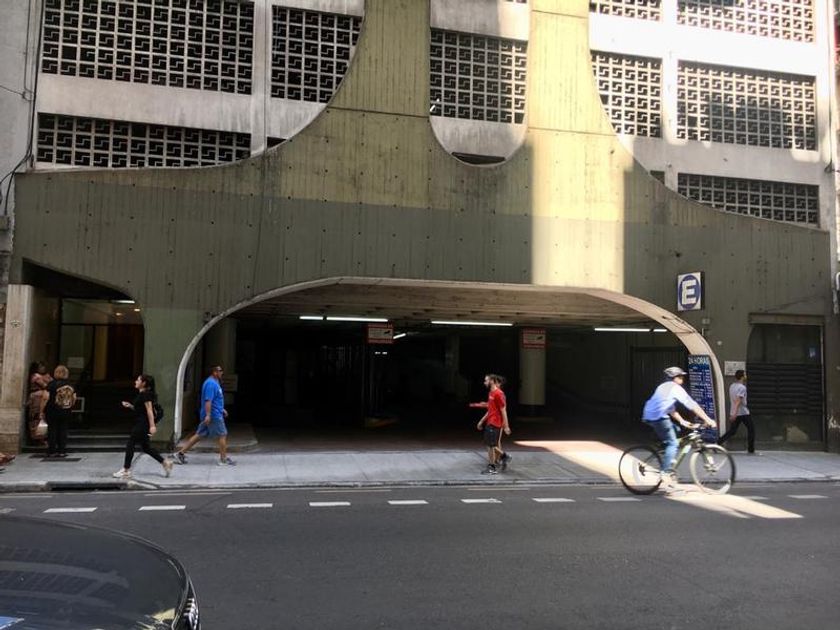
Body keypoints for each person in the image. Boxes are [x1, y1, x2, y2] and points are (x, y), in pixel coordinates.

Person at [641, 366, 716, 491]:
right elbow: (692, 405)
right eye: (680, 376)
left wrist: (682, 421)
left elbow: (670, 408)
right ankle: (665, 473)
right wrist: (708, 419)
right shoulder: (675, 388)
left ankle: (665, 452)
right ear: (674, 378)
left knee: (677, 430)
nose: (682, 378)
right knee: (673, 443)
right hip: (658, 417)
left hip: (651, 414)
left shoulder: (663, 386)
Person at [113, 374, 173, 479]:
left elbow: (149, 411)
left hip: (143, 424)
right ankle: (165, 463)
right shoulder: (143, 394)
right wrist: (130, 406)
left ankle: (126, 470)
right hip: (143, 422)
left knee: (131, 443)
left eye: (138, 380)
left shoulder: (146, 394)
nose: (135, 381)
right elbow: (142, 410)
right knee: (146, 447)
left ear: (144, 383)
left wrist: (152, 426)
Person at [173, 365, 236, 466]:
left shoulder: (214, 383)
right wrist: (208, 415)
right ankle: (223, 459)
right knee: (222, 434)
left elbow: (215, 400)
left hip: (214, 413)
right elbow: (208, 400)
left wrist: (221, 409)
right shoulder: (211, 384)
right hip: (214, 415)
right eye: (220, 371)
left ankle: (180, 454)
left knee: (199, 434)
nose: (222, 372)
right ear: (214, 372)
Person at [475, 374, 511, 475]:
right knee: (489, 445)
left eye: (486, 380)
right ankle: (504, 457)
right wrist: (481, 421)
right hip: (490, 422)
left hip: (495, 423)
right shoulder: (491, 393)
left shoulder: (499, 394)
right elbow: (490, 410)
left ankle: (492, 467)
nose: (484, 382)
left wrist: (506, 426)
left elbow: (503, 411)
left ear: (492, 381)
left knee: (491, 445)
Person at [718, 369, 755, 454]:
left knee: (732, 431)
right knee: (751, 429)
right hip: (743, 412)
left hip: (734, 412)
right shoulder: (742, 388)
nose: (746, 376)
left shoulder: (732, 386)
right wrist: (735, 414)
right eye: (745, 374)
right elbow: (738, 401)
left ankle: (718, 442)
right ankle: (751, 449)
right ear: (742, 377)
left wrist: (733, 413)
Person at [44, 365, 75, 458]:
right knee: (63, 430)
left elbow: (45, 397)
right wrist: (69, 406)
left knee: (52, 430)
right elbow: (74, 398)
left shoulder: (51, 384)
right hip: (65, 410)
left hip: (52, 409)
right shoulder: (70, 385)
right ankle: (62, 451)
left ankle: (52, 451)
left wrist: (41, 410)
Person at [27, 361, 52, 446]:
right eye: (41, 367)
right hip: (36, 399)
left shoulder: (42, 376)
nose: (43, 368)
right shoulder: (36, 376)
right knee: (36, 417)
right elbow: (45, 385)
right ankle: (37, 438)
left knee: (41, 417)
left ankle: (41, 437)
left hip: (42, 398)